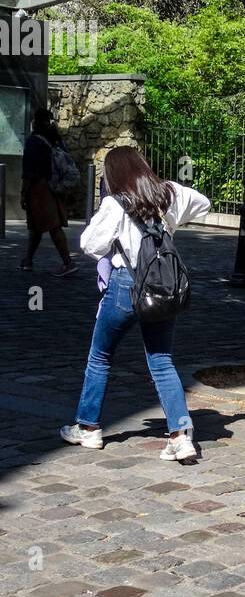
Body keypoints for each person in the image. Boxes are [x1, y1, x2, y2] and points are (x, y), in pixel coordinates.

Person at [60, 146, 211, 462]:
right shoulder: (169, 194)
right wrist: (171, 220)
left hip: (124, 286)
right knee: (161, 359)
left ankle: (88, 428)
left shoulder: (115, 204)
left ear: (114, 175)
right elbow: (204, 204)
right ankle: (181, 436)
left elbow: (89, 244)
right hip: (161, 286)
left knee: (100, 355)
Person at [20, 108, 75, 275]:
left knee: (52, 226)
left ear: (36, 122)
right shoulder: (54, 139)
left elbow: (29, 170)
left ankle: (67, 262)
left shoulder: (33, 141)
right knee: (37, 226)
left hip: (38, 189)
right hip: (54, 186)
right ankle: (28, 260)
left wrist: (23, 193)